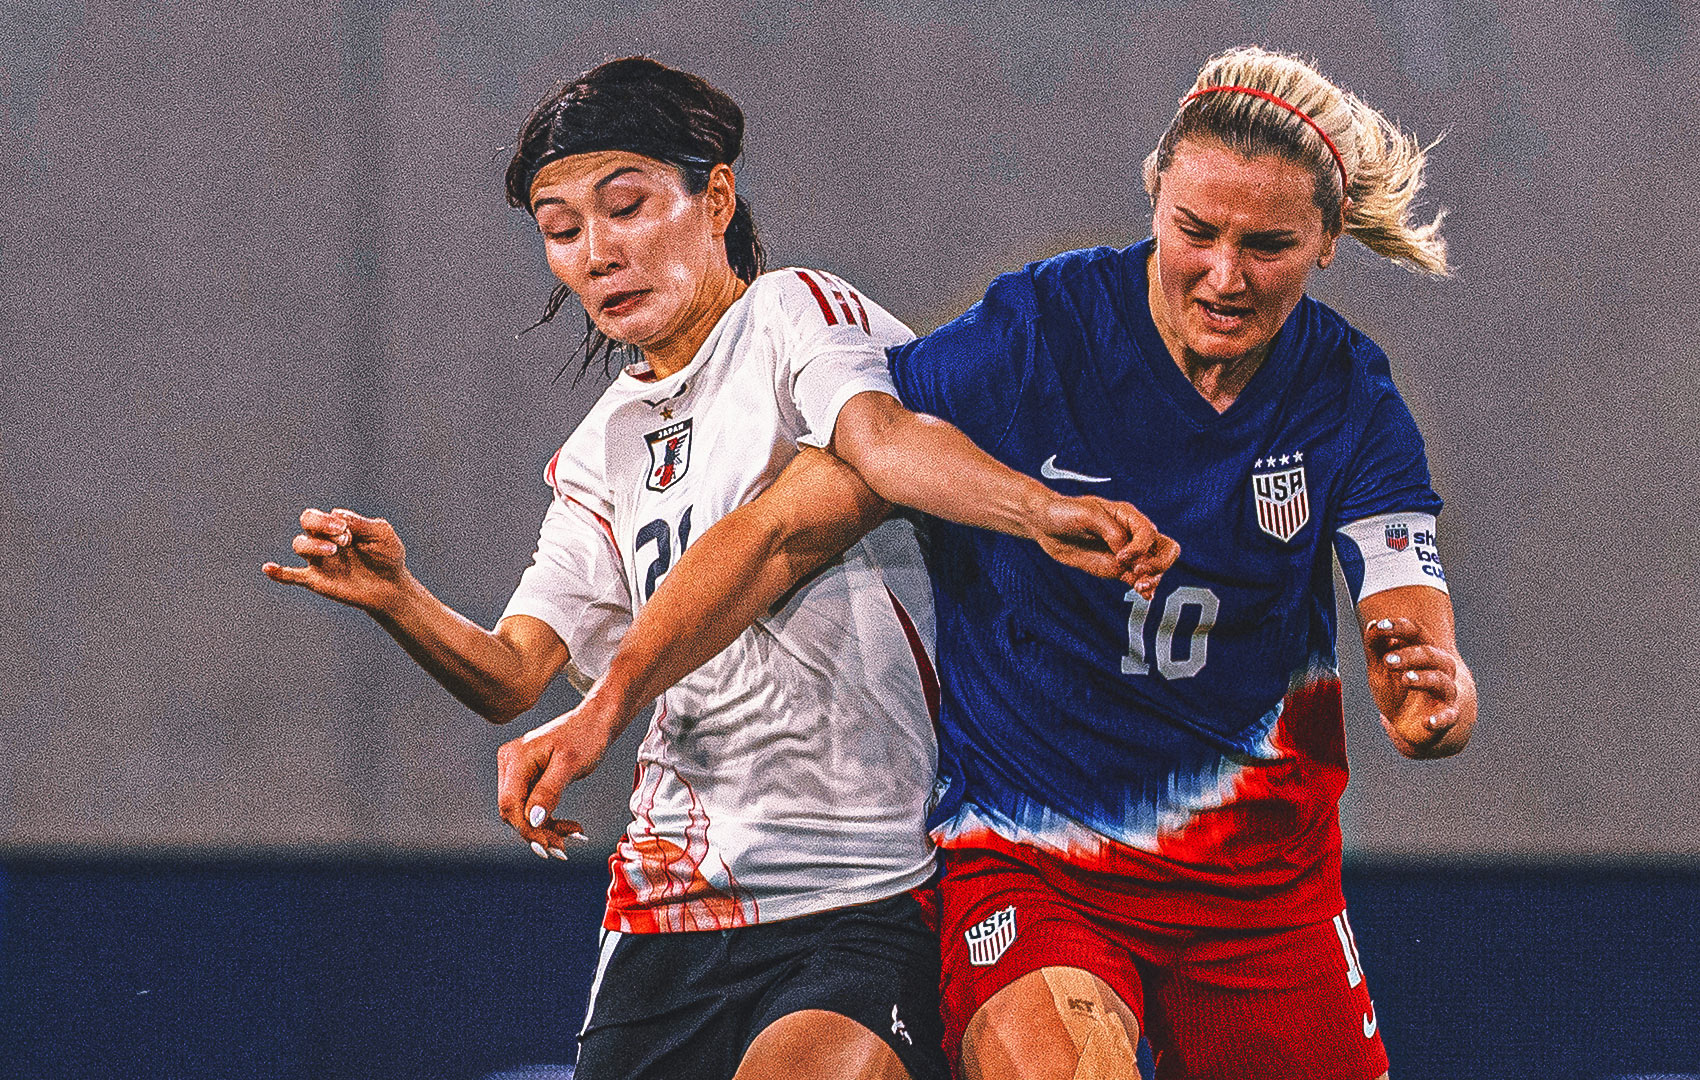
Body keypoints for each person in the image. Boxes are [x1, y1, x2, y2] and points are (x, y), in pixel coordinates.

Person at [263, 57, 1174, 1080]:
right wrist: (400, 600)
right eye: (563, 230)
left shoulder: (794, 316)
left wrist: (1037, 510)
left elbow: (878, 444)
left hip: (866, 889)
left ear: (717, 198)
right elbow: (512, 674)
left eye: (627, 207)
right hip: (671, 905)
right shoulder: (600, 450)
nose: (599, 252)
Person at [888, 47, 1478, 1080]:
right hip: (1035, 858)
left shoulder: (1349, 399)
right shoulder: (1041, 332)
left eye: (1268, 245)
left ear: (1330, 238)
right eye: (1195, 232)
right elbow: (871, 439)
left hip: (1260, 890)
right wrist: (1029, 509)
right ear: (1154, 196)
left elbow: (1411, 628)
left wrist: (1439, 701)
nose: (1224, 275)